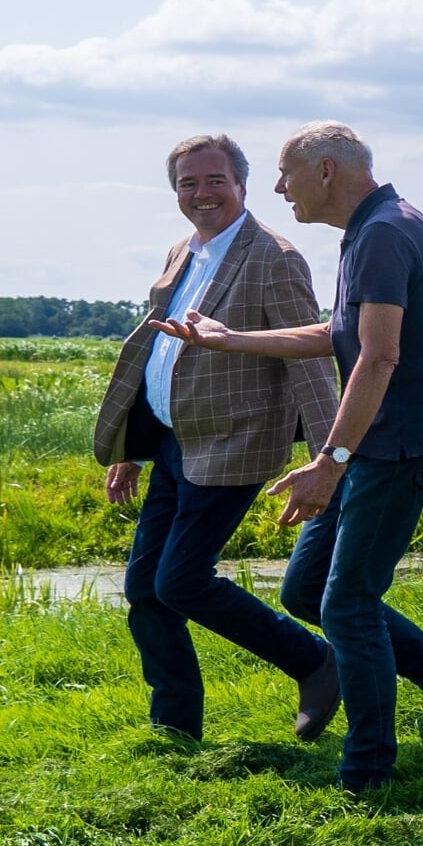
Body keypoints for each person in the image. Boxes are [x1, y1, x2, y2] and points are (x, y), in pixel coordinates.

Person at [151, 121, 423, 792]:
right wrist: (231, 341)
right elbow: (339, 334)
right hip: (375, 441)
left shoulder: (384, 234)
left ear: (327, 172)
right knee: (307, 589)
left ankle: (368, 770)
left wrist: (330, 460)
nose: (277, 188)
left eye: (285, 174)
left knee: (347, 604)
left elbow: (379, 357)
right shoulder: (372, 229)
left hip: (399, 445)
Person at [93, 134, 344, 745]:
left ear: (242, 185)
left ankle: (315, 662)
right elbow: (161, 349)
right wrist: (131, 447)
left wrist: (327, 458)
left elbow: (308, 357)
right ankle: (174, 726)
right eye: (187, 183)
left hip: (236, 442)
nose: (201, 194)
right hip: (177, 444)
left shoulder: (273, 257)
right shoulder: (185, 250)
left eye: (213, 181)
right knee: (144, 588)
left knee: (178, 580)